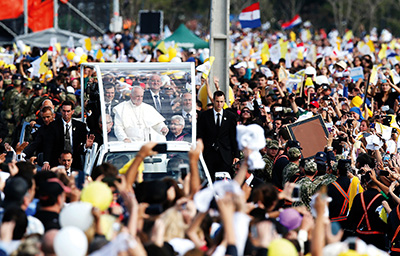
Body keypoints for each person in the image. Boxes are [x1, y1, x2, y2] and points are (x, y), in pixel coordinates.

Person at [197, 91, 239, 180]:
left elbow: (234, 136)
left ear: (224, 102)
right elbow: (200, 134)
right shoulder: (205, 116)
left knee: (224, 181)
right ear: (213, 101)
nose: (219, 104)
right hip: (209, 154)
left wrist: (236, 155)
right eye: (217, 101)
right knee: (209, 179)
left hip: (225, 154)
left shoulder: (230, 116)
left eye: (221, 101)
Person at [42, 101, 93, 170]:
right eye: (64, 111)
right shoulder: (53, 126)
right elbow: (48, 145)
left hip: (75, 163)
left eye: (68, 111)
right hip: (57, 163)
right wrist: (46, 162)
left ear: (72, 111)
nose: (66, 114)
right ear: (60, 111)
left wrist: (85, 146)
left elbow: (80, 149)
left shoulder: (80, 126)